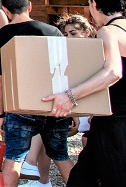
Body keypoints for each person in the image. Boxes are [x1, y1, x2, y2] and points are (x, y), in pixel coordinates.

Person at [43, 0, 126, 187]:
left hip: (114, 125)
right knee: (81, 179)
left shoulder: (108, 32)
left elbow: (113, 72)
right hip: (112, 122)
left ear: (94, 3)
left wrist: (69, 97)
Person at [0, 0, 73, 187]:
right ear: (30, 6)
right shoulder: (52, 31)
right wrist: (72, 106)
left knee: (14, 157)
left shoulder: (1, 36)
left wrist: (1, 113)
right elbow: (65, 71)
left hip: (20, 104)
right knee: (61, 155)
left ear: (6, 11)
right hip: (54, 102)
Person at [22, 13, 95, 185]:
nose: (69, 37)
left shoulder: (93, 52)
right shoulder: (66, 54)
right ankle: (42, 178)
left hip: (86, 108)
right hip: (71, 106)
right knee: (45, 129)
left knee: (60, 148)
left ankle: (31, 163)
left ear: (86, 33)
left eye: (73, 33)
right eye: (66, 34)